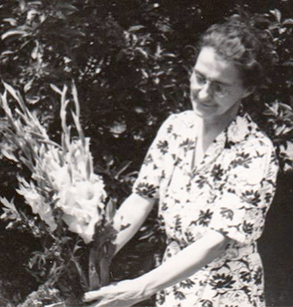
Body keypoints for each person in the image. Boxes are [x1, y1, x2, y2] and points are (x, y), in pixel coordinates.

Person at [84, 14, 278, 307]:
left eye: (220, 86)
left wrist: (140, 288)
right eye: (200, 77)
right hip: (173, 289)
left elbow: (214, 242)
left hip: (226, 294)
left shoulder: (255, 152)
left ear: (247, 90)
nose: (203, 93)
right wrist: (95, 258)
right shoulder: (176, 128)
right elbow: (141, 198)